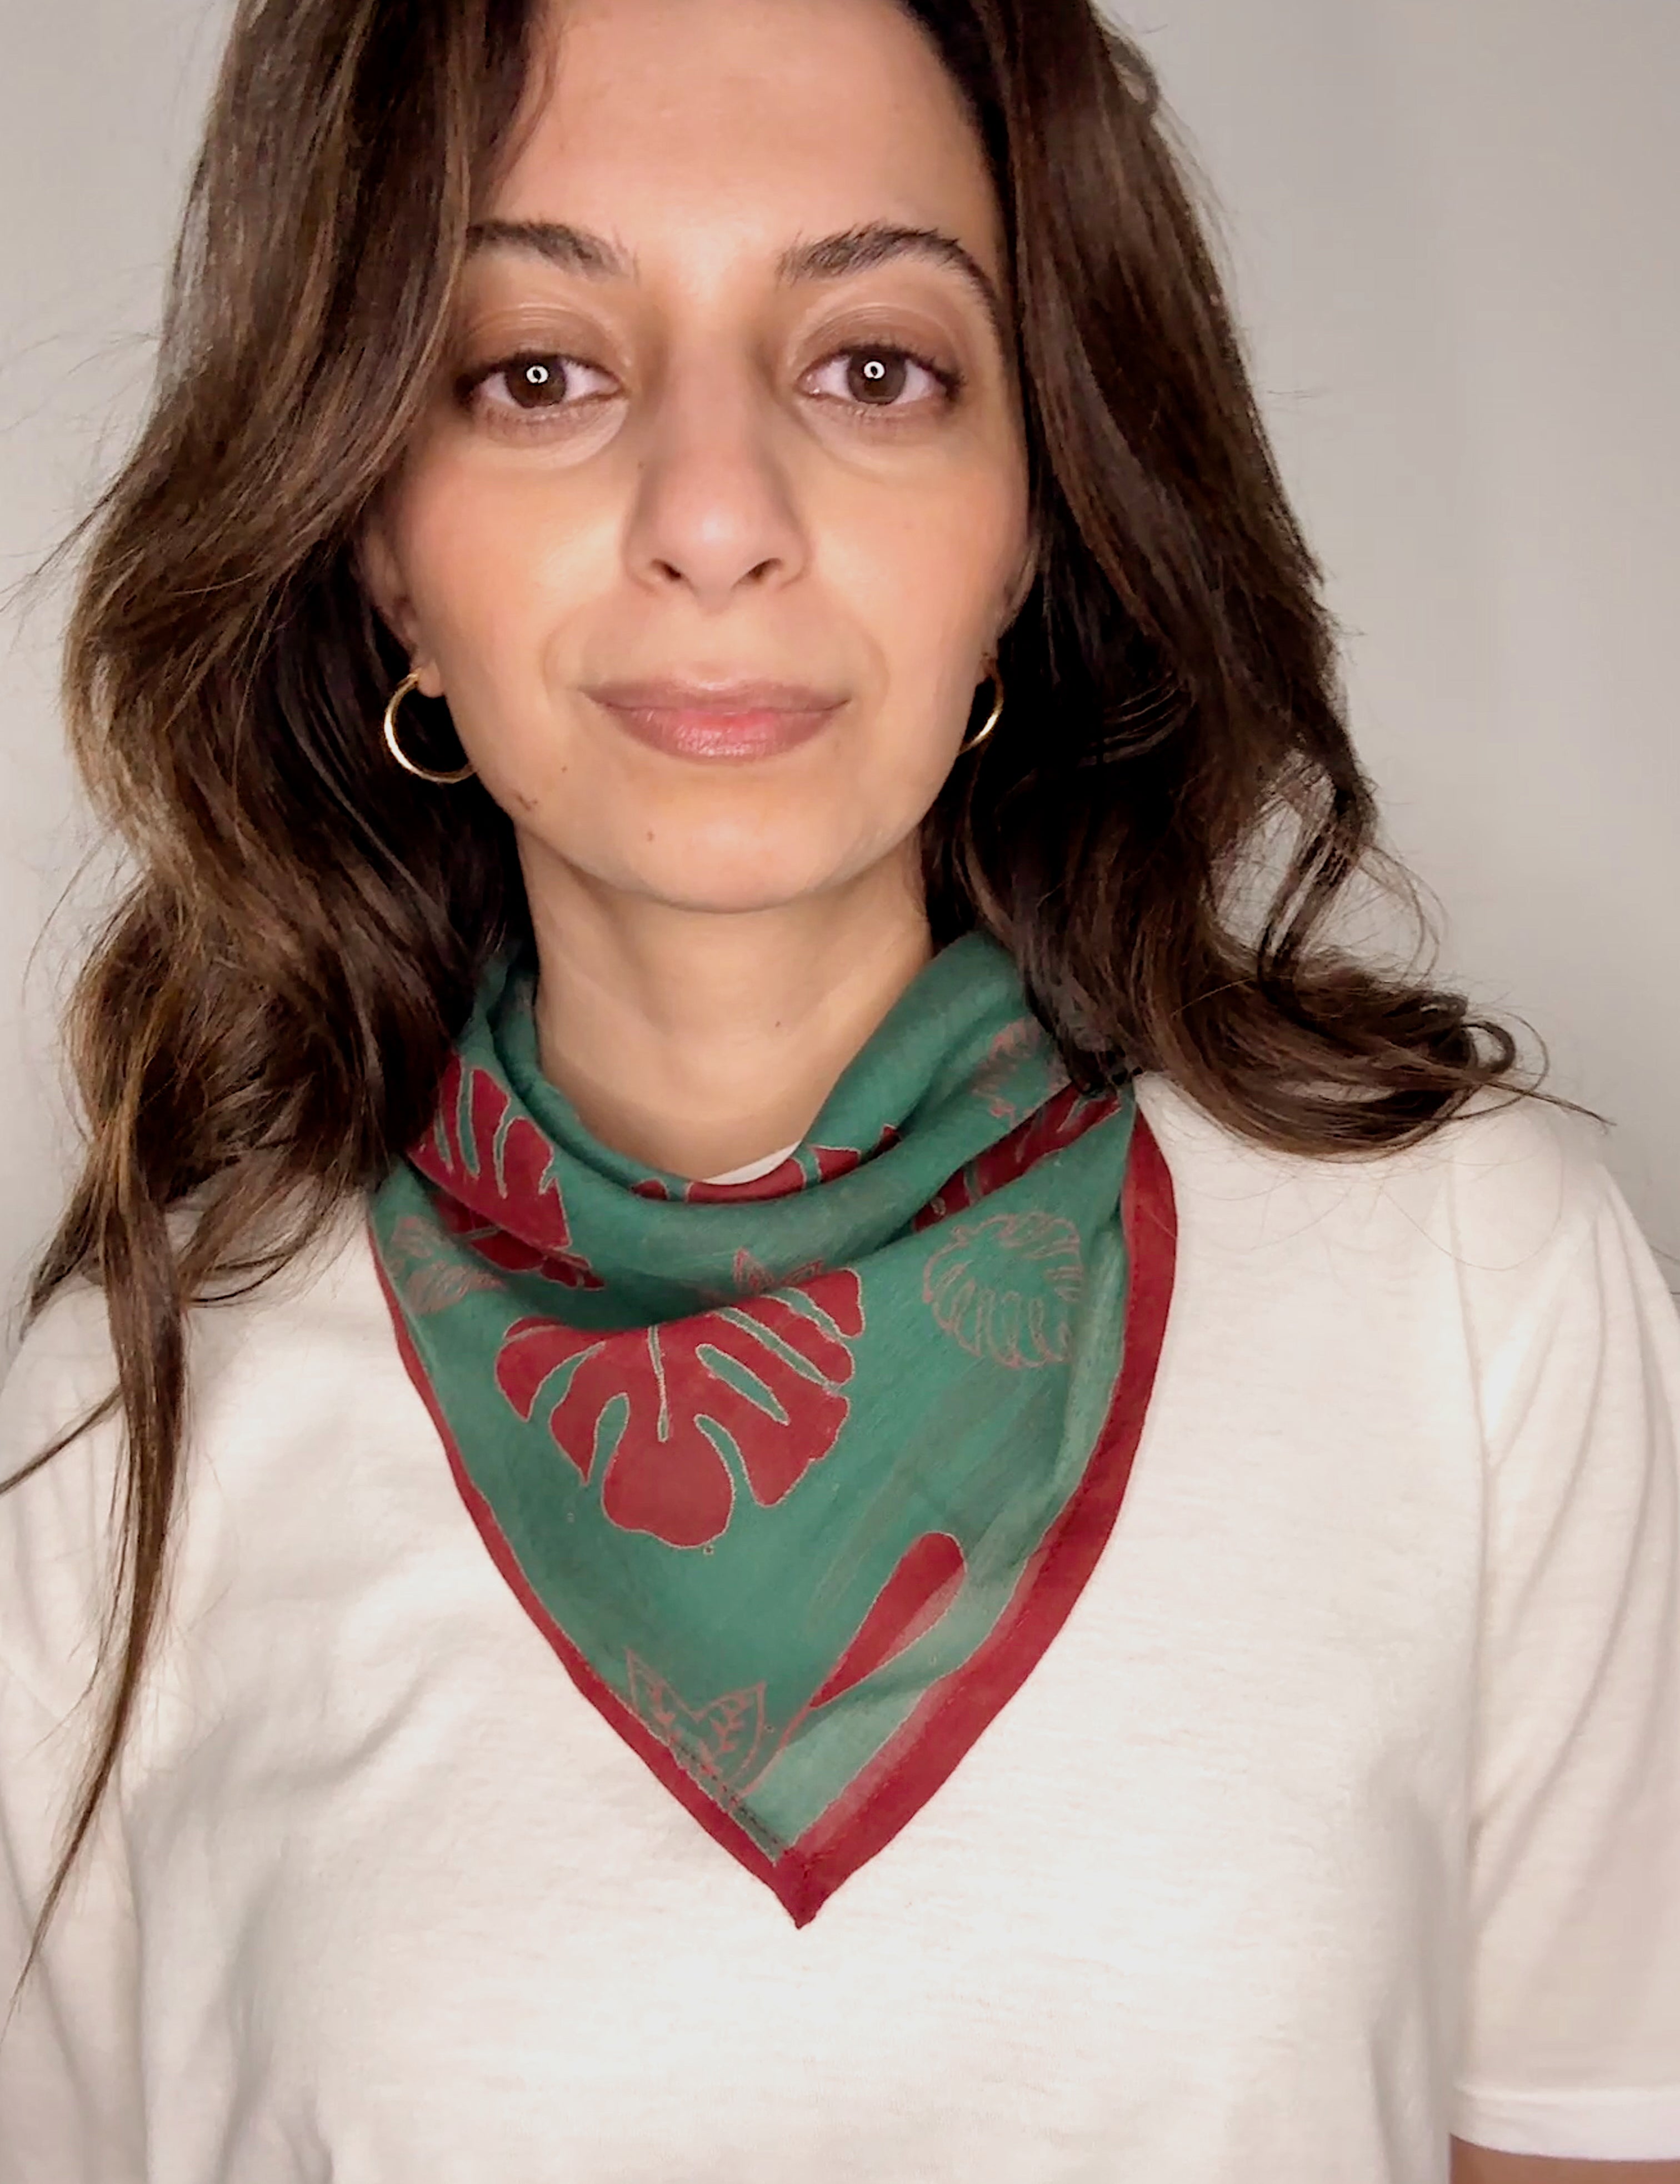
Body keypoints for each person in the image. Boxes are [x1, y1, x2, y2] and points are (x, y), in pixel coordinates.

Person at [1, 0, 1676, 2176]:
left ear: (1035, 513)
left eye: (874, 367)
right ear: (379, 535)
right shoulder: (122, 1423)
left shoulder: (1477, 1288)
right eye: (539, 369)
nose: (717, 517)